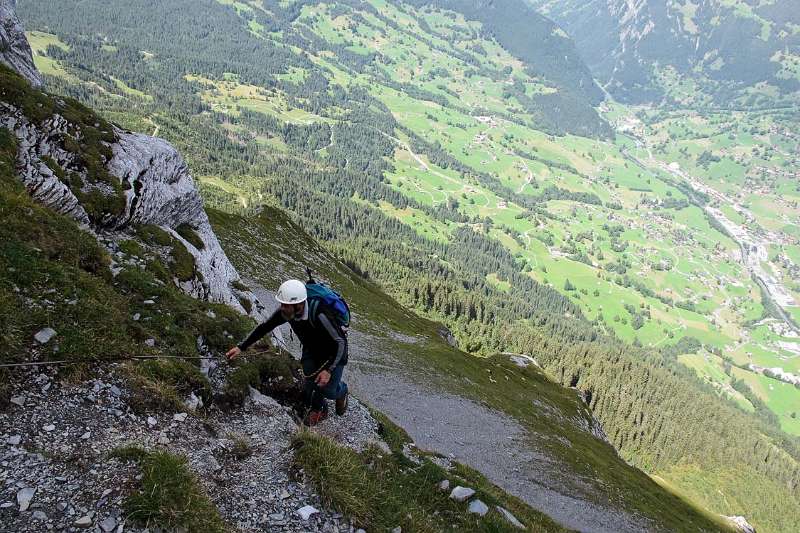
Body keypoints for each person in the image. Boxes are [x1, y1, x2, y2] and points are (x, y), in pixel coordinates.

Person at [226, 279, 348, 426]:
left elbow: (341, 342)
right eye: (282, 304)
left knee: (329, 391)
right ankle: (319, 409)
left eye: (286, 305)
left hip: (333, 354)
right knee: (310, 382)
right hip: (312, 349)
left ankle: (342, 391)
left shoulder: (321, 313)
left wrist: (329, 370)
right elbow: (264, 327)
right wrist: (241, 347)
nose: (282, 308)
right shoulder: (286, 313)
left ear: (299, 305)